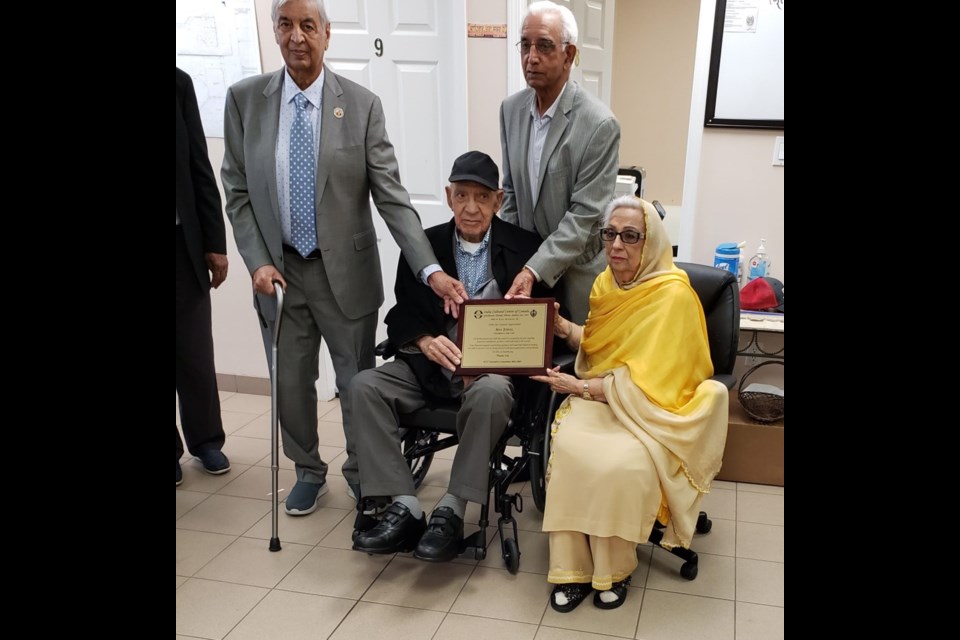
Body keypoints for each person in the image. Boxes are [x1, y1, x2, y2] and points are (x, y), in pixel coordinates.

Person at [221, 0, 466, 516]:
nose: (296, 37)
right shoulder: (246, 100)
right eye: (285, 25)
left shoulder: (360, 105)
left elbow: (392, 197)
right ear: (275, 32)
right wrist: (256, 260)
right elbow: (237, 189)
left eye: (307, 26)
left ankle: (364, 471)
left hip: (345, 276)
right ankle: (308, 470)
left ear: (327, 35)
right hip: (279, 275)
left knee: (357, 382)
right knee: (290, 383)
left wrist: (432, 270)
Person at [350, 151, 553, 560]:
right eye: (461, 196)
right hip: (429, 368)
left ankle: (453, 508)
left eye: (481, 197)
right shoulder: (425, 245)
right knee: (364, 385)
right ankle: (402, 505)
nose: (471, 208)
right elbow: (402, 312)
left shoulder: (526, 250)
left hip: (492, 374)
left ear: (499, 200)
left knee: (492, 393)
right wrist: (425, 340)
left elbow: (543, 322)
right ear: (448, 197)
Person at [530, 195, 728, 612]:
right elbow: (602, 349)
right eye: (610, 234)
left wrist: (580, 387)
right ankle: (572, 569)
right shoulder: (606, 284)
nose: (617, 245)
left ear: (651, 241)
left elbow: (659, 380)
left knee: (620, 464)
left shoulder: (674, 296)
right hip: (600, 398)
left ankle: (613, 570)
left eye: (631, 236)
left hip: (652, 411)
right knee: (570, 451)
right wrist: (560, 325)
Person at [500, 0, 621, 325]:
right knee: (523, 370)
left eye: (544, 46)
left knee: (574, 369)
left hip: (576, 278)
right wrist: (513, 257)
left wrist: (534, 268)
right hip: (524, 275)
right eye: (525, 45)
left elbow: (583, 217)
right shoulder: (510, 110)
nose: (531, 57)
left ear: (569, 55)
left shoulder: (599, 124)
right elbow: (510, 192)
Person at [176, 67, 231, 486]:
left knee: (195, 349)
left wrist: (215, 243)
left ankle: (206, 440)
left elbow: (199, 164)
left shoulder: (179, 83)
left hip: (183, 245)